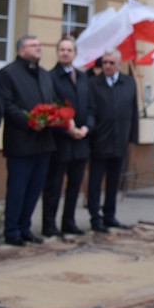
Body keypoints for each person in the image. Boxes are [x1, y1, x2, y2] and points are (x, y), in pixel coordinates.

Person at [0, 35, 55, 246]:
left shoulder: (44, 74)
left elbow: (51, 102)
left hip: (44, 141)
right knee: (18, 188)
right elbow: (7, 105)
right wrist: (29, 121)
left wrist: (53, 117)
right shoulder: (8, 74)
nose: (39, 48)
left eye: (40, 45)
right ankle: (12, 230)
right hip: (21, 141)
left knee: (34, 189)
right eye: (33, 45)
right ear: (21, 50)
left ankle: (25, 228)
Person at [42, 37, 91, 236]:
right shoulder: (49, 77)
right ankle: (49, 224)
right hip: (59, 140)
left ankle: (68, 222)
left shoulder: (83, 78)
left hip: (81, 140)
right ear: (57, 53)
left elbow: (92, 107)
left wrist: (87, 127)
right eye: (62, 49)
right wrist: (67, 128)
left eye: (69, 50)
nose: (65, 53)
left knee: (74, 185)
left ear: (75, 54)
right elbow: (51, 106)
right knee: (54, 185)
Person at [85, 48, 138, 232]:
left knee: (114, 182)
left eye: (111, 63)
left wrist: (132, 137)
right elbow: (90, 111)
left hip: (120, 141)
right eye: (105, 63)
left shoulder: (128, 82)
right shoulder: (93, 84)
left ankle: (110, 215)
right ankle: (95, 217)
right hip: (99, 141)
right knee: (95, 182)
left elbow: (133, 111)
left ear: (119, 64)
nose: (107, 66)